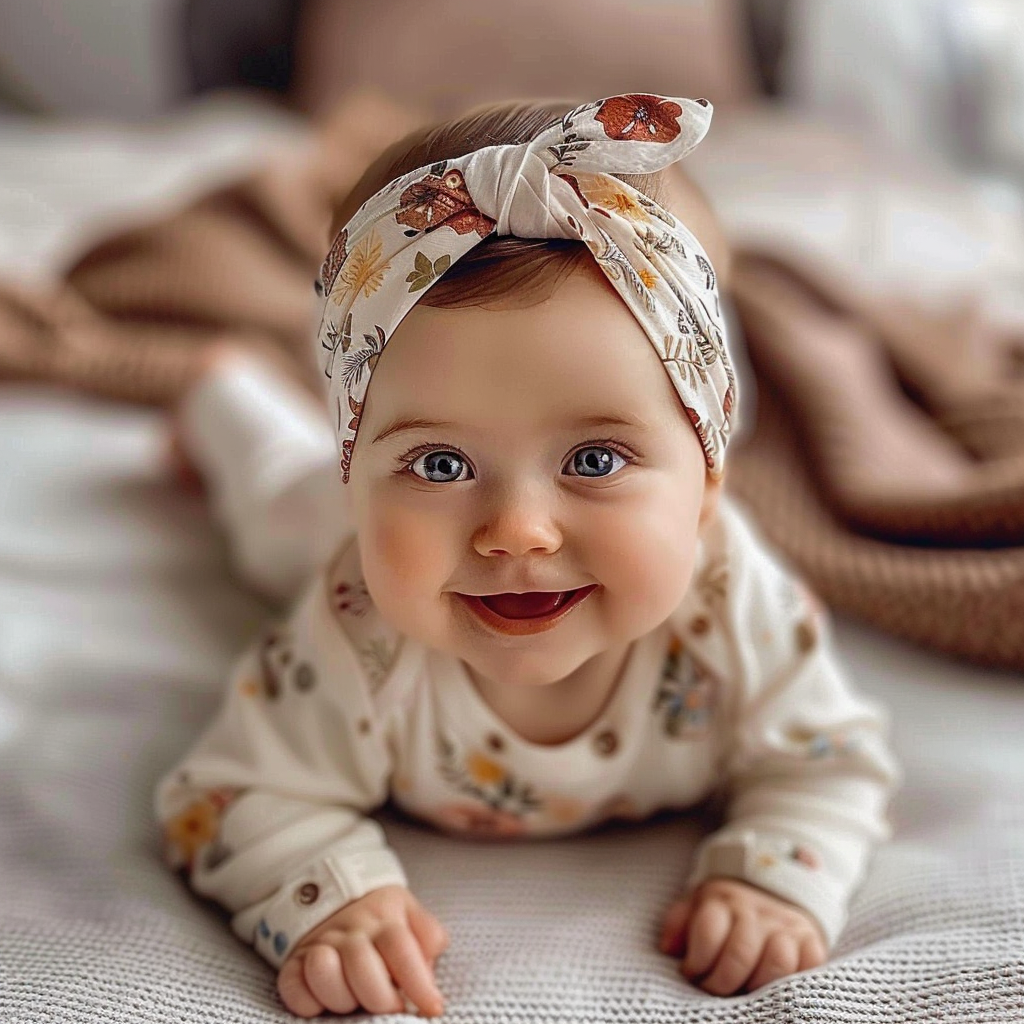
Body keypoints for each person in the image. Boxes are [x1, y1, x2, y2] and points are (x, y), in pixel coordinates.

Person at [155, 94, 898, 1018]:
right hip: (318, 515)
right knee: (272, 501)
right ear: (362, 472)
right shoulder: (358, 626)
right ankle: (220, 390)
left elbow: (826, 761)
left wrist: (779, 878)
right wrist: (327, 895)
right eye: (440, 461)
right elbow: (229, 792)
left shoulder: (733, 604)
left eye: (595, 459)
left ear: (707, 484)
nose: (517, 530)